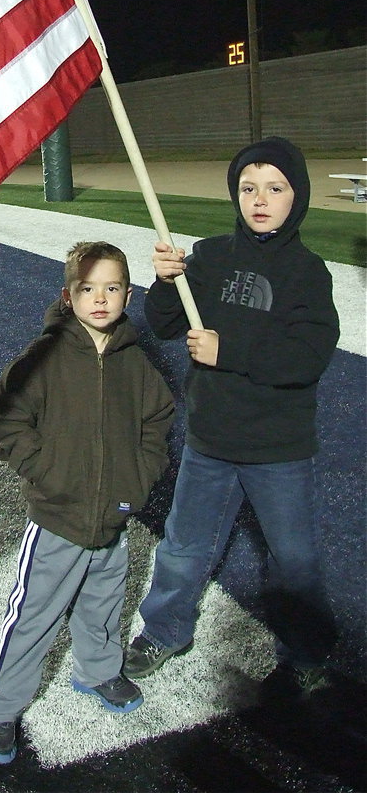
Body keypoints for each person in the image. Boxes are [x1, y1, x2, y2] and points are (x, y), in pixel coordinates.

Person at [123, 137, 340, 698]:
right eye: (248, 188)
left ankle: (306, 649)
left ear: (298, 196)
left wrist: (230, 353)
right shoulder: (211, 255)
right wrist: (168, 280)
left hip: (278, 447)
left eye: (275, 188)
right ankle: (166, 630)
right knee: (183, 545)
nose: (260, 199)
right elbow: (166, 323)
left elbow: (307, 358)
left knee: (294, 560)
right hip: (210, 439)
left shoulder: (309, 272)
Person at [0, 241, 174, 765]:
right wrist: (51, 473)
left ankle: (99, 670)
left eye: (112, 288)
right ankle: (1, 708)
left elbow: (158, 420)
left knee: (104, 605)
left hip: (115, 516)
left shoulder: (135, 361)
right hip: (58, 518)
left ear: (129, 294)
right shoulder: (44, 357)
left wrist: (140, 476)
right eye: (88, 288)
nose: (101, 298)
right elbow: (7, 421)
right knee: (34, 615)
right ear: (69, 295)